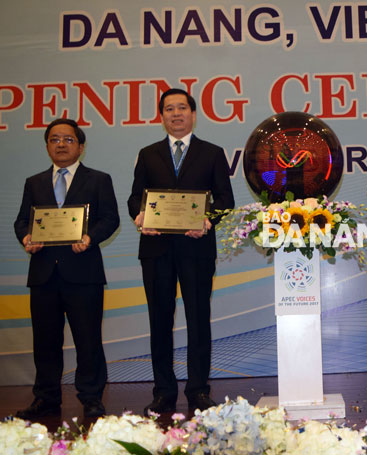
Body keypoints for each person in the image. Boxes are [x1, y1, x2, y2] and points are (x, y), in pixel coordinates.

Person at [127, 88, 234, 414]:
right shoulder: (147, 154)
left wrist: (207, 219)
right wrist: (140, 216)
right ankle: (163, 392)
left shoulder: (212, 152)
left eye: (182, 108)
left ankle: (199, 391)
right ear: (161, 117)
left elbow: (225, 201)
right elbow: (135, 199)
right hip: (156, 248)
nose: (176, 114)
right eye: (169, 109)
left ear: (193, 113)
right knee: (159, 321)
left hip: (196, 247)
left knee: (198, 319)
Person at [14, 118, 120, 419]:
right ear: (47, 145)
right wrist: (26, 238)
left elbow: (110, 218)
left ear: (81, 146)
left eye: (68, 139)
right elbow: (22, 221)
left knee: (88, 340)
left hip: (83, 272)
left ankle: (91, 398)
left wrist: (90, 237)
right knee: (45, 342)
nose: (61, 144)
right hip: (44, 274)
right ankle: (45, 398)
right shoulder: (33, 182)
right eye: (54, 139)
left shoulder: (99, 179)